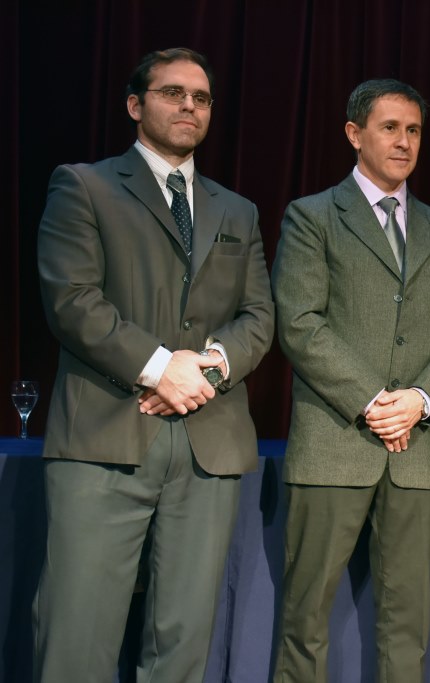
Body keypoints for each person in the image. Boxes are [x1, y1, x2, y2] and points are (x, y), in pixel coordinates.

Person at [33, 47, 274, 683]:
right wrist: (161, 366)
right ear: (136, 106)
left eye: (200, 97)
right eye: (172, 93)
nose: (189, 106)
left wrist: (206, 372)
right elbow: (72, 300)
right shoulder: (83, 185)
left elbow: (258, 317)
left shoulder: (237, 210)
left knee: (183, 643)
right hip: (106, 434)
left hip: (207, 444)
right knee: (77, 635)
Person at [270, 78, 430, 683]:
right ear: (354, 134)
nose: (404, 141)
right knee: (306, 617)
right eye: (390, 128)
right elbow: (301, 323)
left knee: (407, 625)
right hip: (334, 442)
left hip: (415, 449)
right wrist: (372, 401)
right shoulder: (312, 216)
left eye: (414, 130)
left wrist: (417, 400)